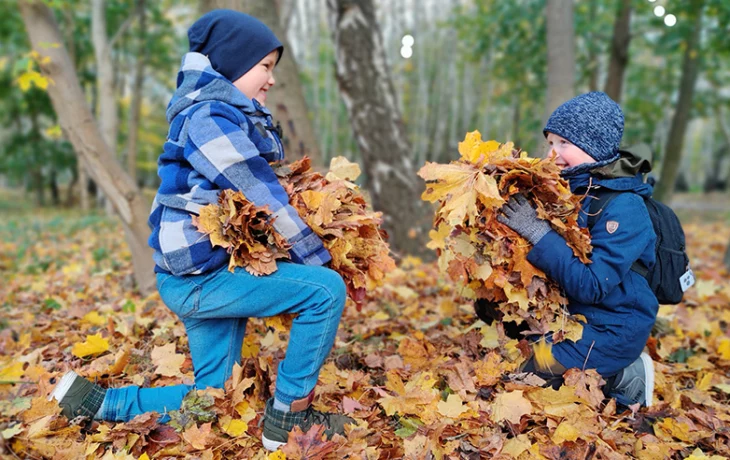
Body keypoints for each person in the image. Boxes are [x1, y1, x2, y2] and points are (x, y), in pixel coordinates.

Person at [49, 10, 353, 451]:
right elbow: (258, 190)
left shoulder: (224, 114)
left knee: (213, 400)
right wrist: (318, 256)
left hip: (199, 272)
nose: (270, 79)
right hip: (200, 278)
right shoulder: (209, 117)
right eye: (264, 67)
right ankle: (289, 416)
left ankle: (97, 404)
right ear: (232, 63)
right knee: (324, 291)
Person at [490, 91, 658, 407]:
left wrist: (538, 233)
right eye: (551, 143)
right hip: (571, 319)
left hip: (613, 326)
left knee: (529, 372)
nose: (553, 153)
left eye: (564, 144)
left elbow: (594, 285)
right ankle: (587, 366)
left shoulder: (626, 207)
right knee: (508, 354)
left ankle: (624, 374)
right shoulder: (565, 192)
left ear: (595, 148)